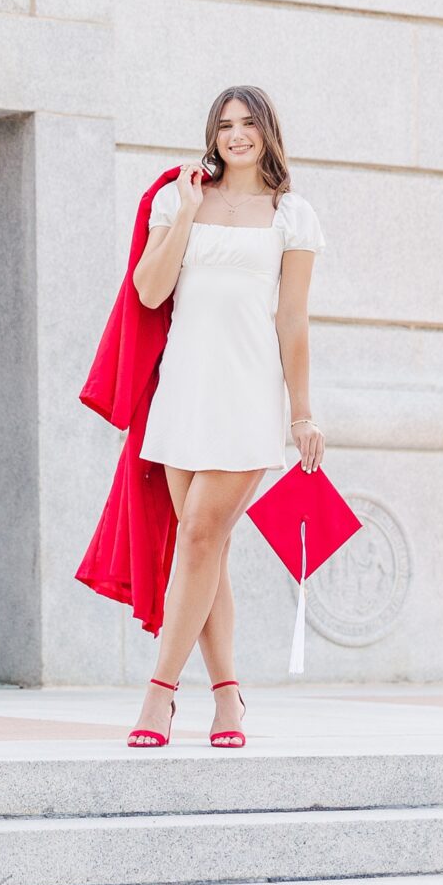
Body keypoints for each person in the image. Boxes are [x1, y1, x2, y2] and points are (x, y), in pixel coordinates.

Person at [123, 87, 324, 749]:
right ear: (212, 134)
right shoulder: (173, 197)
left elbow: (290, 319)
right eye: (225, 125)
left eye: (248, 124)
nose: (237, 134)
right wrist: (183, 212)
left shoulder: (291, 216)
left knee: (200, 535)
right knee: (206, 550)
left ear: (267, 132)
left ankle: (159, 694)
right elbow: (150, 290)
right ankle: (228, 697)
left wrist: (301, 415)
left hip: (246, 393)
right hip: (181, 392)